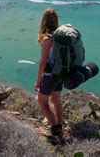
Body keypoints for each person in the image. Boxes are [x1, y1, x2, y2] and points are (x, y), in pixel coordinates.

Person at [35, 8, 63, 138]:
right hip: (60, 74)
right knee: (56, 101)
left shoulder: (47, 39)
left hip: (49, 75)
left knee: (43, 102)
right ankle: (60, 126)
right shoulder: (60, 36)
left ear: (44, 21)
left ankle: (56, 130)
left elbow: (43, 62)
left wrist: (38, 79)